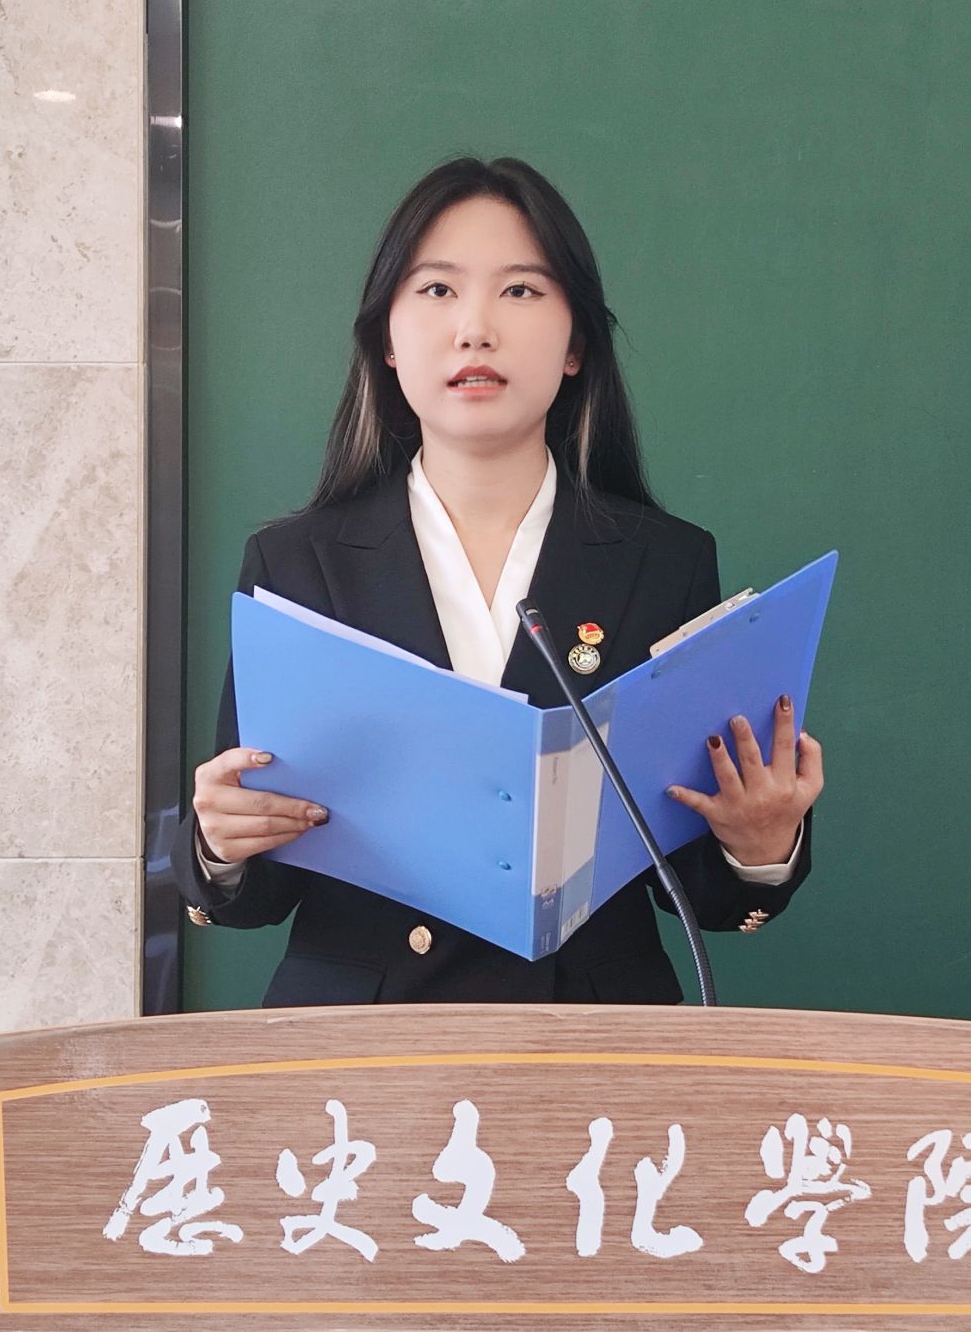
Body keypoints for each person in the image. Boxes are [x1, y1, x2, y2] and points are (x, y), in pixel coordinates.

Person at [176, 155, 824, 1007]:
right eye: (437, 290)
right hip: (361, 1043)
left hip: (592, 1038)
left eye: (520, 290)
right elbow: (258, 894)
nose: (474, 328)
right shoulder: (297, 562)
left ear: (575, 344)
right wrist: (222, 843)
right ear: (386, 340)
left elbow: (702, 890)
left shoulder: (663, 561)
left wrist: (761, 841)